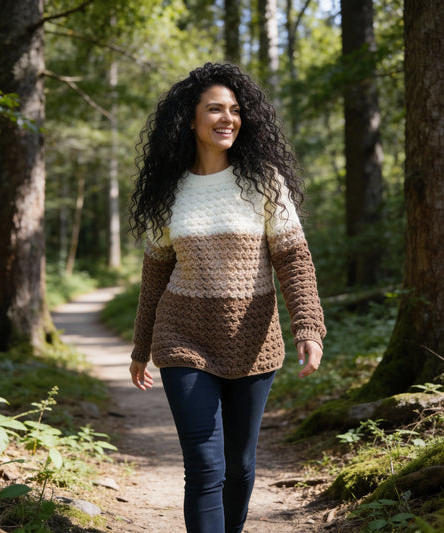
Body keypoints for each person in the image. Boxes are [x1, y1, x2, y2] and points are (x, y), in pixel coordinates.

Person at [128, 62, 326, 533]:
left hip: (254, 340)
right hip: (183, 338)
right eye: (214, 108)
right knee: (204, 466)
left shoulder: (265, 183)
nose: (227, 118)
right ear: (190, 120)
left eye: (235, 110)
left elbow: (294, 260)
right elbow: (155, 275)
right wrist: (141, 348)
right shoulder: (168, 194)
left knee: (239, 465)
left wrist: (308, 326)